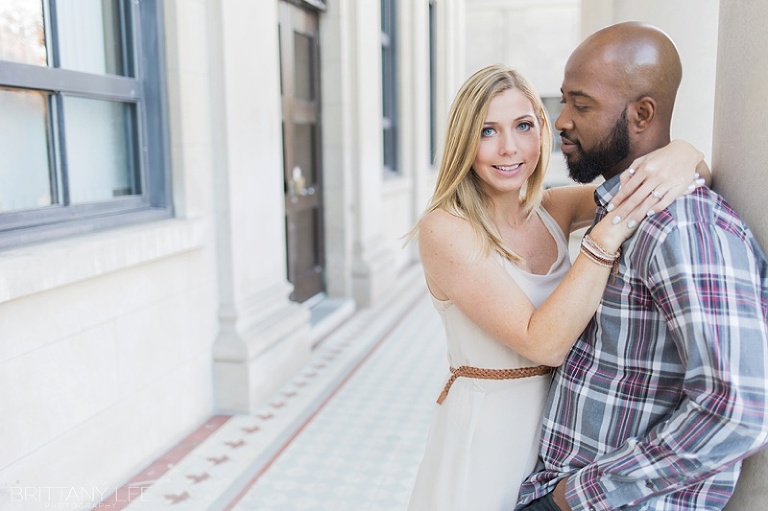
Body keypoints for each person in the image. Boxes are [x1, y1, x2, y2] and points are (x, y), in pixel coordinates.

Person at [405, 63, 708, 511]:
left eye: (523, 126)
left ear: (542, 132)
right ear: (463, 141)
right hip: (488, 435)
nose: (509, 148)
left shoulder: (553, 207)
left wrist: (684, 152)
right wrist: (604, 238)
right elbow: (542, 343)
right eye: (487, 131)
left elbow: (668, 178)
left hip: (561, 432)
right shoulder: (447, 228)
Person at [517, 22, 768, 511]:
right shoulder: (626, 209)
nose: (561, 120)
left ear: (642, 114)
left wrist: (574, 497)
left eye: (581, 104)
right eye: (564, 100)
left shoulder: (683, 229)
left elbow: (739, 411)